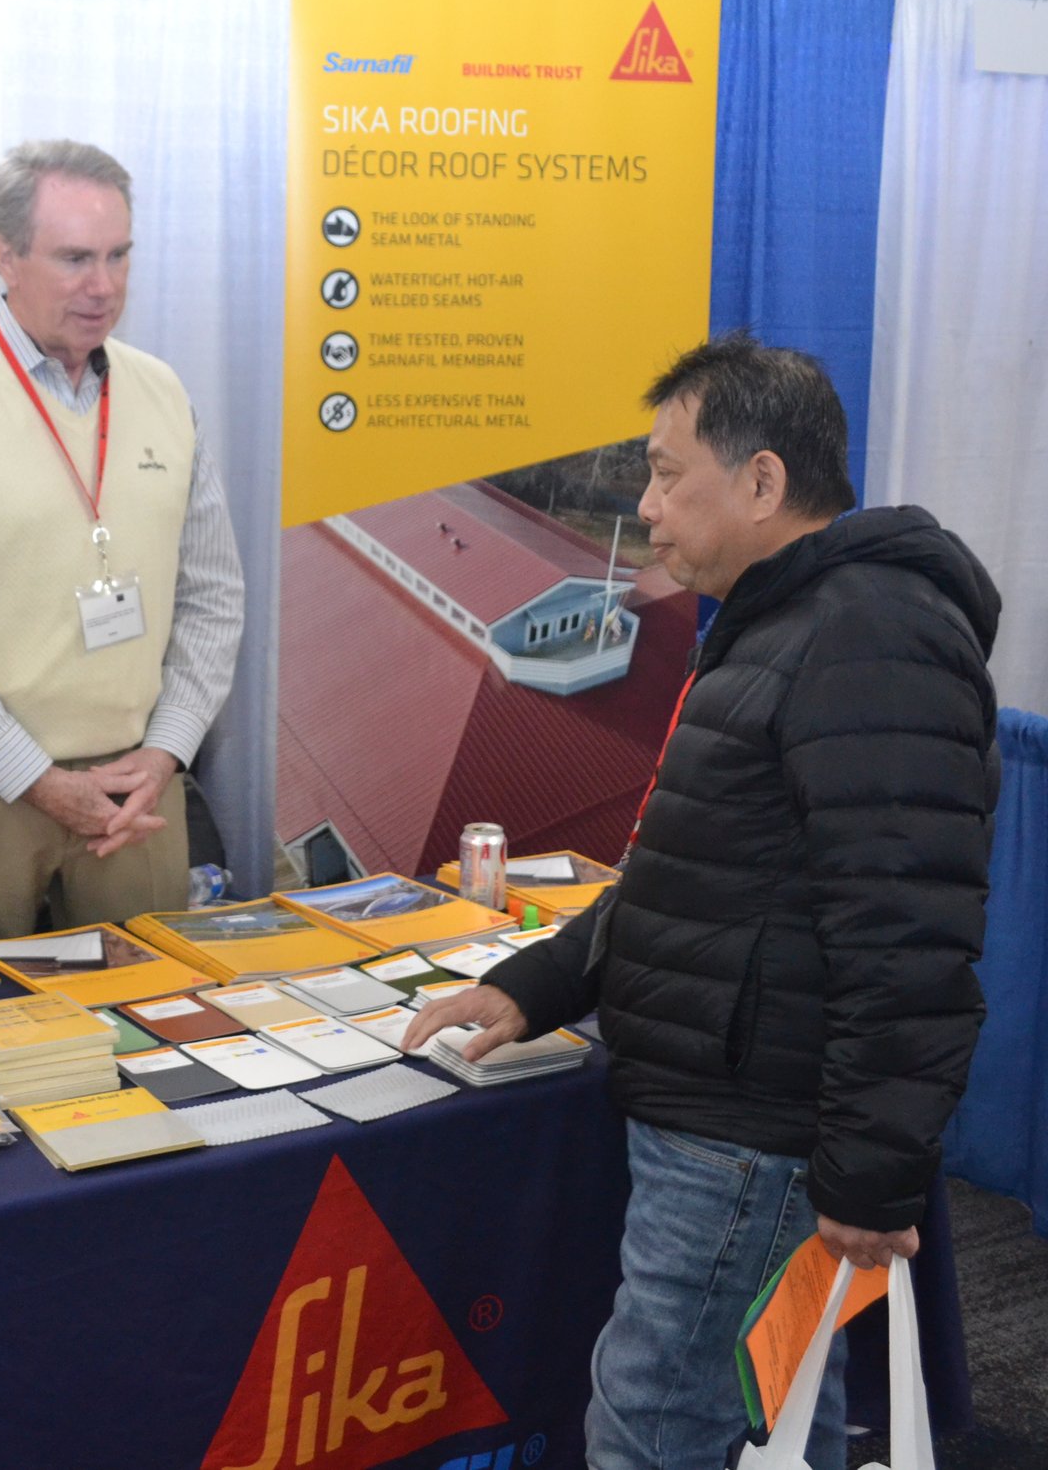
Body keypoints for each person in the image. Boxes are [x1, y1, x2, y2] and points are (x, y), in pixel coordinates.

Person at [405, 333, 1000, 1470]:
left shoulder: (867, 634)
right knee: (781, 1416)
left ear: (762, 480)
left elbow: (908, 934)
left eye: (668, 474)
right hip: (729, 1123)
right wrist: (538, 983)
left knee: (656, 1429)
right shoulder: (790, 623)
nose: (646, 506)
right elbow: (692, 876)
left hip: (747, 1141)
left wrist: (871, 1174)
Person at [0, 140, 245, 953]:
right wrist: (36, 778)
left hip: (136, 792)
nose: (103, 285)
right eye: (74, 258)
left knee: (148, 1013)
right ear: (5, 255)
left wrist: (167, 750)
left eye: (117, 255)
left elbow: (213, 598)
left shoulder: (164, 394)